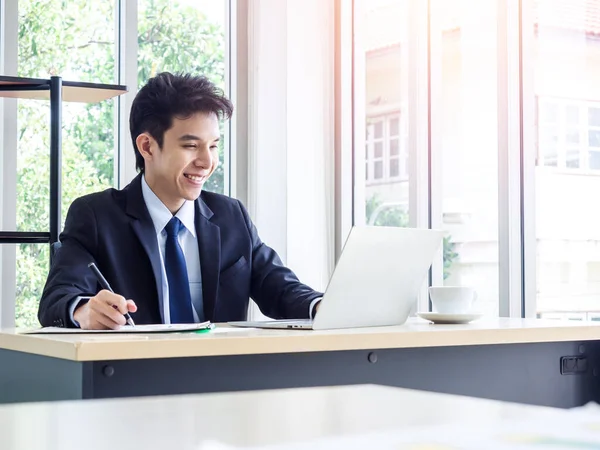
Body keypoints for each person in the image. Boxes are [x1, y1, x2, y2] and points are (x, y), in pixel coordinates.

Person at [38, 72, 321, 329]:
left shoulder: (230, 215)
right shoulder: (97, 216)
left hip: (224, 377)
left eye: (213, 146)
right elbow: (58, 298)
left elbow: (280, 288)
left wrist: (321, 307)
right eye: (191, 146)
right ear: (147, 146)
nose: (207, 162)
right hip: (134, 378)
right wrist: (85, 310)